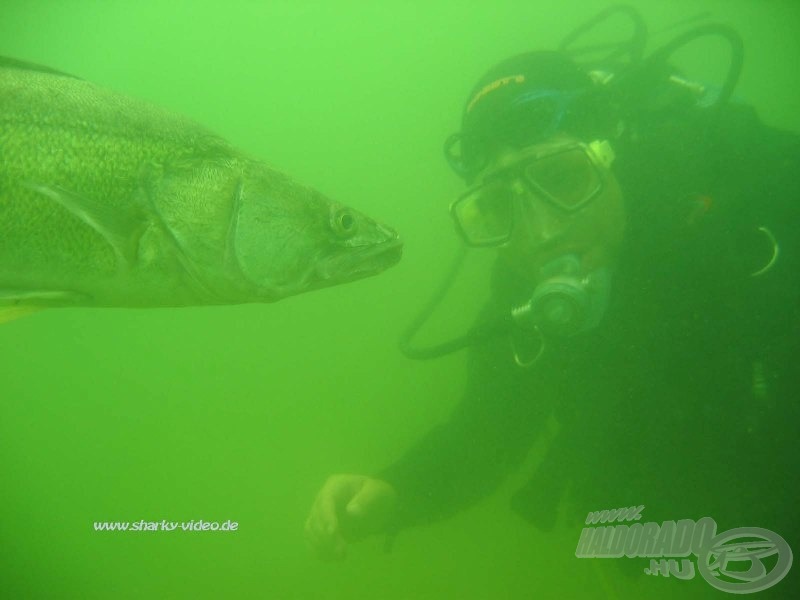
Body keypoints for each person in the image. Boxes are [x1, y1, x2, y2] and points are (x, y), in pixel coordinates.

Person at [305, 7, 800, 592]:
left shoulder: (762, 201)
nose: (541, 233)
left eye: (563, 178)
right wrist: (397, 490)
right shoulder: (524, 299)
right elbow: (489, 432)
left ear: (613, 153)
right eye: (501, 207)